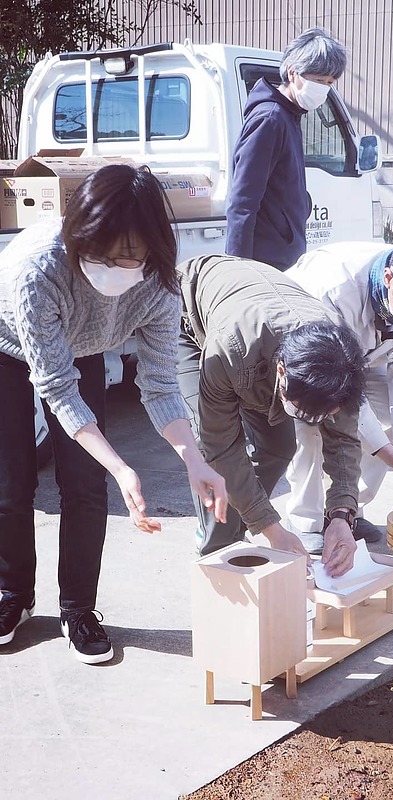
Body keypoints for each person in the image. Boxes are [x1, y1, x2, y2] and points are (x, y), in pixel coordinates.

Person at [0, 165, 228, 664]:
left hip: (80, 344)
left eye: (132, 255)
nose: (118, 266)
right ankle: (12, 595)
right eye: (103, 254)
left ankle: (78, 609)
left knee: (85, 484)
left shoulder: (159, 285)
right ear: (79, 235)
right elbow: (57, 388)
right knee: (10, 484)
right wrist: (123, 465)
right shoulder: (39, 270)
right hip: (8, 344)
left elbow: (161, 384)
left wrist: (194, 459)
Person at [176, 254, 367, 577]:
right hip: (191, 318)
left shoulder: (341, 364)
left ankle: (241, 524)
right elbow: (221, 446)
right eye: (304, 412)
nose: (311, 420)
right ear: (282, 372)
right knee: (212, 457)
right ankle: (217, 549)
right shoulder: (229, 349)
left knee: (279, 448)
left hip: (256, 316)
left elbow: (344, 439)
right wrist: (271, 527)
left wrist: (341, 516)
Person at [283, 230, 393, 553]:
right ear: (390, 277)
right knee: (316, 420)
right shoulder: (334, 290)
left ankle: (345, 510)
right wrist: (390, 455)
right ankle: (305, 520)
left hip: (363, 358)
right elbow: (343, 397)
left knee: (391, 422)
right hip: (310, 362)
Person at [225, 27, 347, 269]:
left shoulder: (289, 115)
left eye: (330, 82)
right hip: (264, 261)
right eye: (318, 80)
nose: (323, 88)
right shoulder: (270, 119)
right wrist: (238, 268)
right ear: (293, 73)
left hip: (282, 253)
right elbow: (243, 200)